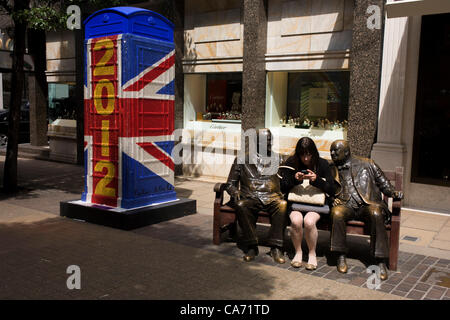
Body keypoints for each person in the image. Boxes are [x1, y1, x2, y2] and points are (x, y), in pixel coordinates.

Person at [329, 140, 403, 280]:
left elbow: (384, 183)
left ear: (346, 152)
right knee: (337, 213)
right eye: (331, 150)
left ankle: (380, 261)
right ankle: (340, 256)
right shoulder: (330, 167)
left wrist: (394, 193)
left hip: (367, 204)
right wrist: (331, 198)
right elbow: (325, 186)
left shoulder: (367, 163)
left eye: (335, 151)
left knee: (376, 213)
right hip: (346, 205)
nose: (332, 154)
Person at [225, 128, 288, 264]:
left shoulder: (280, 158)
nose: (270, 143)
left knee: (282, 205)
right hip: (250, 197)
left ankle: (276, 247)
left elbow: (288, 180)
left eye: (271, 140)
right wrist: (235, 192)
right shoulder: (242, 159)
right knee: (241, 205)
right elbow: (230, 184)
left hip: (273, 197)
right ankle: (251, 246)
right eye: (267, 141)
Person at [279, 137, 336, 270]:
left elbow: (332, 189)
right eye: (302, 154)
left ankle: (312, 253)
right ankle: (298, 252)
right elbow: (283, 187)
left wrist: (316, 180)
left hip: (315, 204)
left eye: (308, 154)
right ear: (298, 153)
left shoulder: (322, 164)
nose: (305, 159)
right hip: (296, 203)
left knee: (309, 222)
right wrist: (295, 179)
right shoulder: (291, 163)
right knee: (296, 221)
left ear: (313, 153)